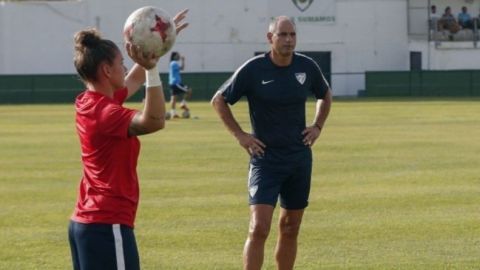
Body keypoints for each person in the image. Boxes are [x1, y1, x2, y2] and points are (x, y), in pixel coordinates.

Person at [68, 10, 188, 270]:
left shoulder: (90, 101)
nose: (125, 67)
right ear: (106, 70)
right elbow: (154, 120)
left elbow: (133, 78)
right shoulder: (106, 112)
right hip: (106, 224)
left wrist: (155, 44)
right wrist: (153, 69)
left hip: (86, 223)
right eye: (121, 62)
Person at [211, 16, 332, 270]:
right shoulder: (254, 69)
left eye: (292, 35)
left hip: (299, 159)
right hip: (265, 160)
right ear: (270, 38)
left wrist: (317, 126)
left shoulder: (306, 66)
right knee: (258, 227)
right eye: (283, 35)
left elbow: (325, 94)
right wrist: (241, 136)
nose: (289, 40)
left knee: (290, 227)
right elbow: (219, 100)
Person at [168, 51, 192, 119]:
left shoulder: (171, 63)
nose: (179, 56)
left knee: (173, 98)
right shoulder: (174, 63)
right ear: (174, 56)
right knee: (189, 90)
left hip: (172, 83)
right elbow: (182, 68)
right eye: (177, 55)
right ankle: (183, 103)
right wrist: (183, 60)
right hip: (176, 83)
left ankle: (173, 113)